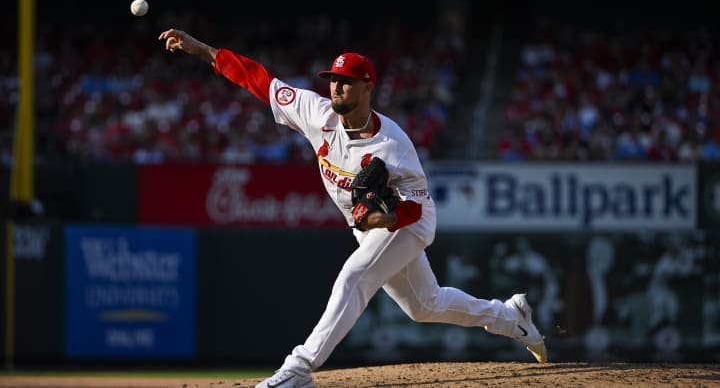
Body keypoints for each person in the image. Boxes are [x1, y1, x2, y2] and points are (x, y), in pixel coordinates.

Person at [158, 28, 548, 388]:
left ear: (367, 87)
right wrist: (204, 51)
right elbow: (259, 80)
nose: (336, 87)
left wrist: (387, 217)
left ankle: (299, 369)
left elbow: (416, 203)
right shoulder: (317, 114)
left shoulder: (393, 145)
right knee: (425, 306)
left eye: (345, 81)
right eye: (333, 80)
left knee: (353, 276)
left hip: (407, 223)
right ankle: (511, 317)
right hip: (366, 225)